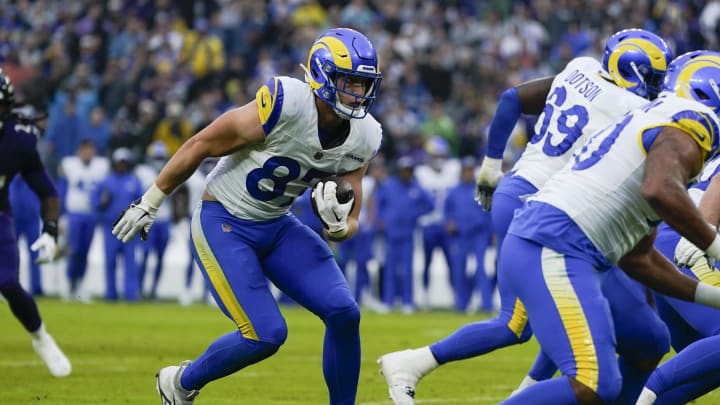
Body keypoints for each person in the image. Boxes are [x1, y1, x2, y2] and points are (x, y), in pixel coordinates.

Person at [379, 28, 674, 404]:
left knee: (628, 330)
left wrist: (490, 164)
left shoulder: (579, 68)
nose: (655, 88)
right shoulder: (631, 110)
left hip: (524, 191)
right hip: (542, 208)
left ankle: (525, 387)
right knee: (518, 322)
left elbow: (511, 98)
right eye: (653, 79)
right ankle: (415, 363)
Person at [112, 28, 382, 404]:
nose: (357, 91)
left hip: (278, 224)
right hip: (224, 219)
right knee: (265, 334)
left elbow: (352, 215)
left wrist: (340, 227)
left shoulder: (365, 136)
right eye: (348, 80)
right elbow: (201, 143)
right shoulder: (286, 103)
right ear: (321, 75)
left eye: (363, 82)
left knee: (344, 312)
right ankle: (180, 383)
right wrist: (151, 200)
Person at [492, 51, 720, 405]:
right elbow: (659, 189)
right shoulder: (695, 120)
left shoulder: (648, 120)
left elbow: (639, 258)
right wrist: (715, 244)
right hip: (555, 242)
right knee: (593, 381)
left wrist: (713, 297)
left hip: (554, 237)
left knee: (649, 342)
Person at [0, 70, 71, 377]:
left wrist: (50, 230)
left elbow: (48, 192)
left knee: (6, 282)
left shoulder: (18, 139)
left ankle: (41, 337)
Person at [374, 156, 434, 313]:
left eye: (408, 170)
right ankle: (388, 300)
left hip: (408, 234)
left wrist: (416, 214)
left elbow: (430, 204)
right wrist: (381, 219)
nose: (406, 173)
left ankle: (408, 301)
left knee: (407, 269)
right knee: (389, 268)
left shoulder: (416, 187)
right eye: (403, 170)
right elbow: (377, 203)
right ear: (398, 171)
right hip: (391, 234)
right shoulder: (389, 186)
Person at [57, 139, 109, 300]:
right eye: (84, 150)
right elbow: (61, 189)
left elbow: (105, 190)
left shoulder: (101, 166)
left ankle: (80, 284)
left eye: (90, 150)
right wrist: (60, 216)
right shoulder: (69, 165)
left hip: (91, 214)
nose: (87, 154)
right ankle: (69, 283)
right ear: (79, 151)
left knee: (85, 251)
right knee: (74, 250)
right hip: (74, 213)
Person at [92, 147, 144, 301]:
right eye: (119, 162)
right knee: (110, 262)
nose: (122, 165)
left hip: (129, 228)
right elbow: (94, 200)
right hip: (111, 227)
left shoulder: (134, 181)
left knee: (130, 263)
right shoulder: (106, 181)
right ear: (114, 163)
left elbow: (142, 203)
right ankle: (111, 294)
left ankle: (130, 295)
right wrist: (101, 203)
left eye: (124, 162)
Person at [443, 156, 494, 313]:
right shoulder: (453, 191)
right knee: (459, 270)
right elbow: (447, 211)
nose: (468, 173)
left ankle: (486, 304)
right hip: (460, 235)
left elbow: (490, 212)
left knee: (482, 268)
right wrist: (449, 222)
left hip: (479, 234)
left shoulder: (482, 190)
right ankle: (461, 304)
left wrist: (491, 232)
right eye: (465, 170)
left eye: (470, 170)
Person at [9, 176, 42, 296]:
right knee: (10, 254)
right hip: (12, 216)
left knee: (35, 254)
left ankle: (37, 287)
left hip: (32, 217)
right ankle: (10, 286)